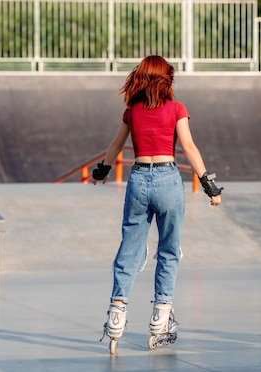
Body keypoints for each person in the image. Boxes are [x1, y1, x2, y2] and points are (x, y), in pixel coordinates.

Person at [92, 55, 223, 354]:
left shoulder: (132, 112)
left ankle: (116, 317)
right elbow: (188, 146)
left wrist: (103, 170)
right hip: (167, 180)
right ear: (166, 80)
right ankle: (160, 319)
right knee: (169, 250)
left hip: (138, 179)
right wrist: (209, 185)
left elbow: (115, 146)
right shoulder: (177, 109)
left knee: (129, 248)